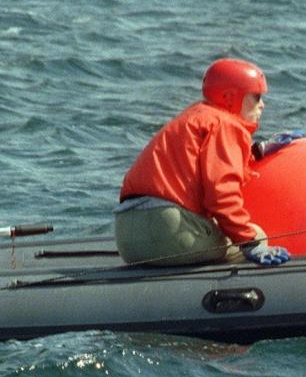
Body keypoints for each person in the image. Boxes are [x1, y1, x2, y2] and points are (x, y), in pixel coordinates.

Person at [115, 58, 296, 267]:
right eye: (256, 97)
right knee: (257, 235)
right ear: (232, 97)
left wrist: (256, 151)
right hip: (166, 229)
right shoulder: (225, 124)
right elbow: (222, 194)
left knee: (223, 230)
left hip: (127, 237)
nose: (262, 105)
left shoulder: (198, 116)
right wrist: (250, 243)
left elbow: (204, 162)